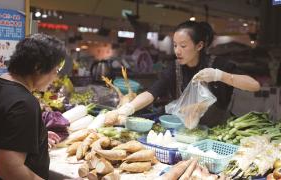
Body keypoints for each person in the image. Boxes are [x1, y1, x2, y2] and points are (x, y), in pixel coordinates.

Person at [105, 21, 261, 127]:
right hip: (185, 133)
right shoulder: (174, 68)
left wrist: (220, 76)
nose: (177, 51)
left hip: (216, 134)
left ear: (199, 45)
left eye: (183, 46)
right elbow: (152, 93)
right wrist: (128, 108)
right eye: (175, 45)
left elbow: (255, 86)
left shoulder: (218, 65)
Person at [0, 33, 66, 180]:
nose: (55, 77)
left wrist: (37, 138)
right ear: (38, 67)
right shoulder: (24, 103)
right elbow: (9, 169)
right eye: (55, 71)